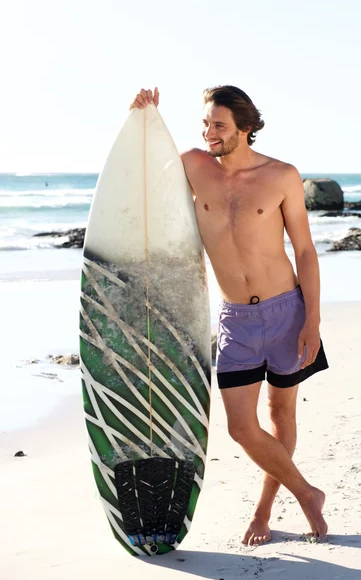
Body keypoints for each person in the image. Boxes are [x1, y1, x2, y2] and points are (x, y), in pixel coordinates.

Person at [130, 86, 329, 546]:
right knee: (241, 428)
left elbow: (304, 251)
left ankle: (263, 513)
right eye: (205, 124)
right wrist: (141, 116)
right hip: (235, 319)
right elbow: (141, 168)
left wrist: (312, 321)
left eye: (218, 125)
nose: (209, 133)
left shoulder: (281, 176)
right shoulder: (196, 165)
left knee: (281, 414)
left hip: (286, 312)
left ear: (246, 128)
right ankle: (307, 494)